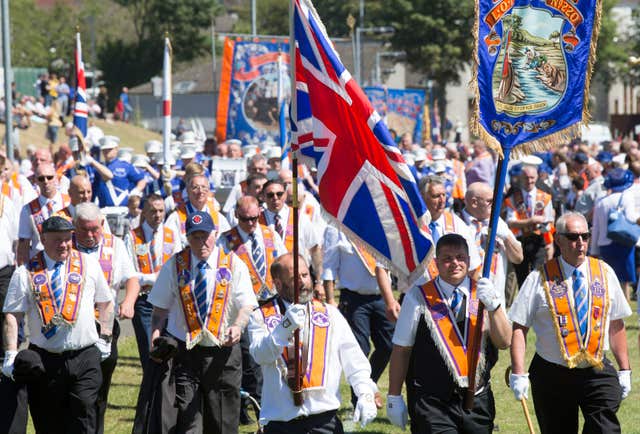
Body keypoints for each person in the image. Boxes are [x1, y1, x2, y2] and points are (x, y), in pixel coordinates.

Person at [509, 212, 632, 434]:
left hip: (596, 368)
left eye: (585, 236)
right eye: (574, 237)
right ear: (558, 240)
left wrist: (625, 369)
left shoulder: (604, 273)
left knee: (606, 429)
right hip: (552, 372)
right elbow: (519, 326)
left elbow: (616, 323)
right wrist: (518, 373)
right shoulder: (539, 277)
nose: (581, 243)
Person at [386, 234, 511, 433]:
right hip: (433, 404)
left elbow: (504, 341)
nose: (455, 263)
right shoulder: (417, 296)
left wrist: (494, 306)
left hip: (477, 400)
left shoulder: (485, 293)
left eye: (460, 257)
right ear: (436, 263)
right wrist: (394, 396)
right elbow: (401, 350)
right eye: (447, 258)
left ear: (469, 261)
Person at [2, 216, 114, 434]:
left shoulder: (88, 264)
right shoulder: (25, 272)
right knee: (48, 422)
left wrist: (106, 337)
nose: (63, 244)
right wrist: (10, 354)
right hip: (46, 359)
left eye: (67, 239)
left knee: (85, 415)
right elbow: (12, 316)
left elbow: (106, 302)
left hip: (85, 356)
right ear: (43, 239)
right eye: (56, 240)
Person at [148, 210, 257, 433]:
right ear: (187, 238)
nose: (201, 242)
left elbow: (246, 304)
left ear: (215, 234)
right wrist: (155, 338)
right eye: (195, 237)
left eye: (205, 235)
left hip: (223, 353)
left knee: (223, 422)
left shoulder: (233, 264)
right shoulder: (175, 265)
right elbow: (159, 310)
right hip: (185, 353)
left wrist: (238, 326)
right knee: (189, 422)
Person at [248, 253, 378, 432]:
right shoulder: (260, 316)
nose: (302, 282)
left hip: (324, 421)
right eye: (294, 278)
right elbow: (260, 355)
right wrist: (284, 327)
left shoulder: (330, 314)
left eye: (305, 275)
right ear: (278, 284)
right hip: (281, 423)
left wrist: (365, 393)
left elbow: (354, 359)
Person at [72, 202, 140, 434]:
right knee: (76, 390)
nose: (90, 236)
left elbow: (131, 279)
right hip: (73, 324)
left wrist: (129, 301)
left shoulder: (115, 245)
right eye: (84, 230)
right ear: (74, 226)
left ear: (103, 224)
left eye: (95, 229)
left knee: (99, 387)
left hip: (105, 324)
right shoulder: (65, 245)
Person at [322, 225, 397, 409]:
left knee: (388, 346)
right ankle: (362, 395)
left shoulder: (378, 224)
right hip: (353, 298)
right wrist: (331, 299)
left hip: (380, 296)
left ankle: (368, 386)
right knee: (360, 349)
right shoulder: (336, 228)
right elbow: (329, 266)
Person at [125, 193, 181, 367]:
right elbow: (129, 273)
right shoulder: (133, 237)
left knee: (172, 350)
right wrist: (152, 278)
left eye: (161, 211)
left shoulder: (172, 234)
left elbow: (178, 265)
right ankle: (150, 390)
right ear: (145, 212)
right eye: (153, 211)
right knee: (150, 352)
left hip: (169, 300)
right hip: (145, 300)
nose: (157, 215)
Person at [461, 181, 524, 303]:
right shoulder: (456, 223)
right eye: (490, 201)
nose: (495, 205)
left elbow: (518, 258)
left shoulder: (498, 222)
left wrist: (506, 237)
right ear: (474, 202)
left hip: (495, 298)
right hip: (468, 299)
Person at [259, 180, 324, 297]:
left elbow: (315, 249)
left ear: (285, 195)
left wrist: (319, 282)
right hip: (268, 285)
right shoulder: (257, 220)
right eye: (270, 195)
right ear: (263, 197)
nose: (275, 198)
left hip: (298, 282)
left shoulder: (300, 217)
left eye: (279, 194)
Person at [591, 168, 639, 301]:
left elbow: (596, 228)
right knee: (624, 279)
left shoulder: (601, 202)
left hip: (604, 244)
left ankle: (611, 303)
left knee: (609, 277)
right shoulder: (626, 197)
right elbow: (630, 217)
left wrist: (593, 250)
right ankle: (625, 303)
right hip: (623, 242)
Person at [504, 164, 555, 286]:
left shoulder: (544, 197)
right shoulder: (513, 198)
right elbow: (510, 222)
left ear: (537, 177)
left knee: (538, 276)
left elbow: (549, 221)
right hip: (520, 241)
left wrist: (549, 241)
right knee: (522, 278)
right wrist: (531, 221)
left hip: (539, 241)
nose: (529, 181)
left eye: (532, 177)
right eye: (526, 178)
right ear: (521, 178)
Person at [17, 163, 70, 264]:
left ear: (56, 178)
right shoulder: (28, 209)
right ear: (35, 180)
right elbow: (23, 246)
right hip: (40, 265)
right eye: (41, 178)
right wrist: (22, 270)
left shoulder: (69, 202)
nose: (46, 181)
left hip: (67, 262)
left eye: (49, 177)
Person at [165, 172, 230, 246]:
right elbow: (168, 245)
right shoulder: (176, 218)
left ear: (208, 191)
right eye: (195, 187)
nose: (200, 191)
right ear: (187, 191)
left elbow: (227, 246)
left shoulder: (219, 218)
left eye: (203, 187)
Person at [94, 135, 146, 207]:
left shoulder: (125, 166)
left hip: (123, 208)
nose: (106, 152)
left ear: (116, 149)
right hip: (103, 208)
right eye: (104, 149)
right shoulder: (98, 167)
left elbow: (141, 180)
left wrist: (135, 192)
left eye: (109, 149)